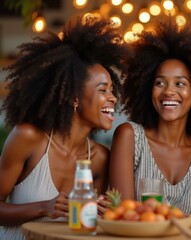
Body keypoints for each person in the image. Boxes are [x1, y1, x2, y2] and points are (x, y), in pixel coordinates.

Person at [0, 14, 130, 239]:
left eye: (112, 90)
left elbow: (86, 226)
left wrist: (103, 213)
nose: (113, 98)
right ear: (74, 97)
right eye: (102, 90)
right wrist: (43, 208)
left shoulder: (100, 157)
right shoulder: (29, 137)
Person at [109, 17, 191, 215]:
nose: (168, 92)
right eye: (160, 83)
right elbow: (124, 216)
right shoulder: (130, 138)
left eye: (180, 84)